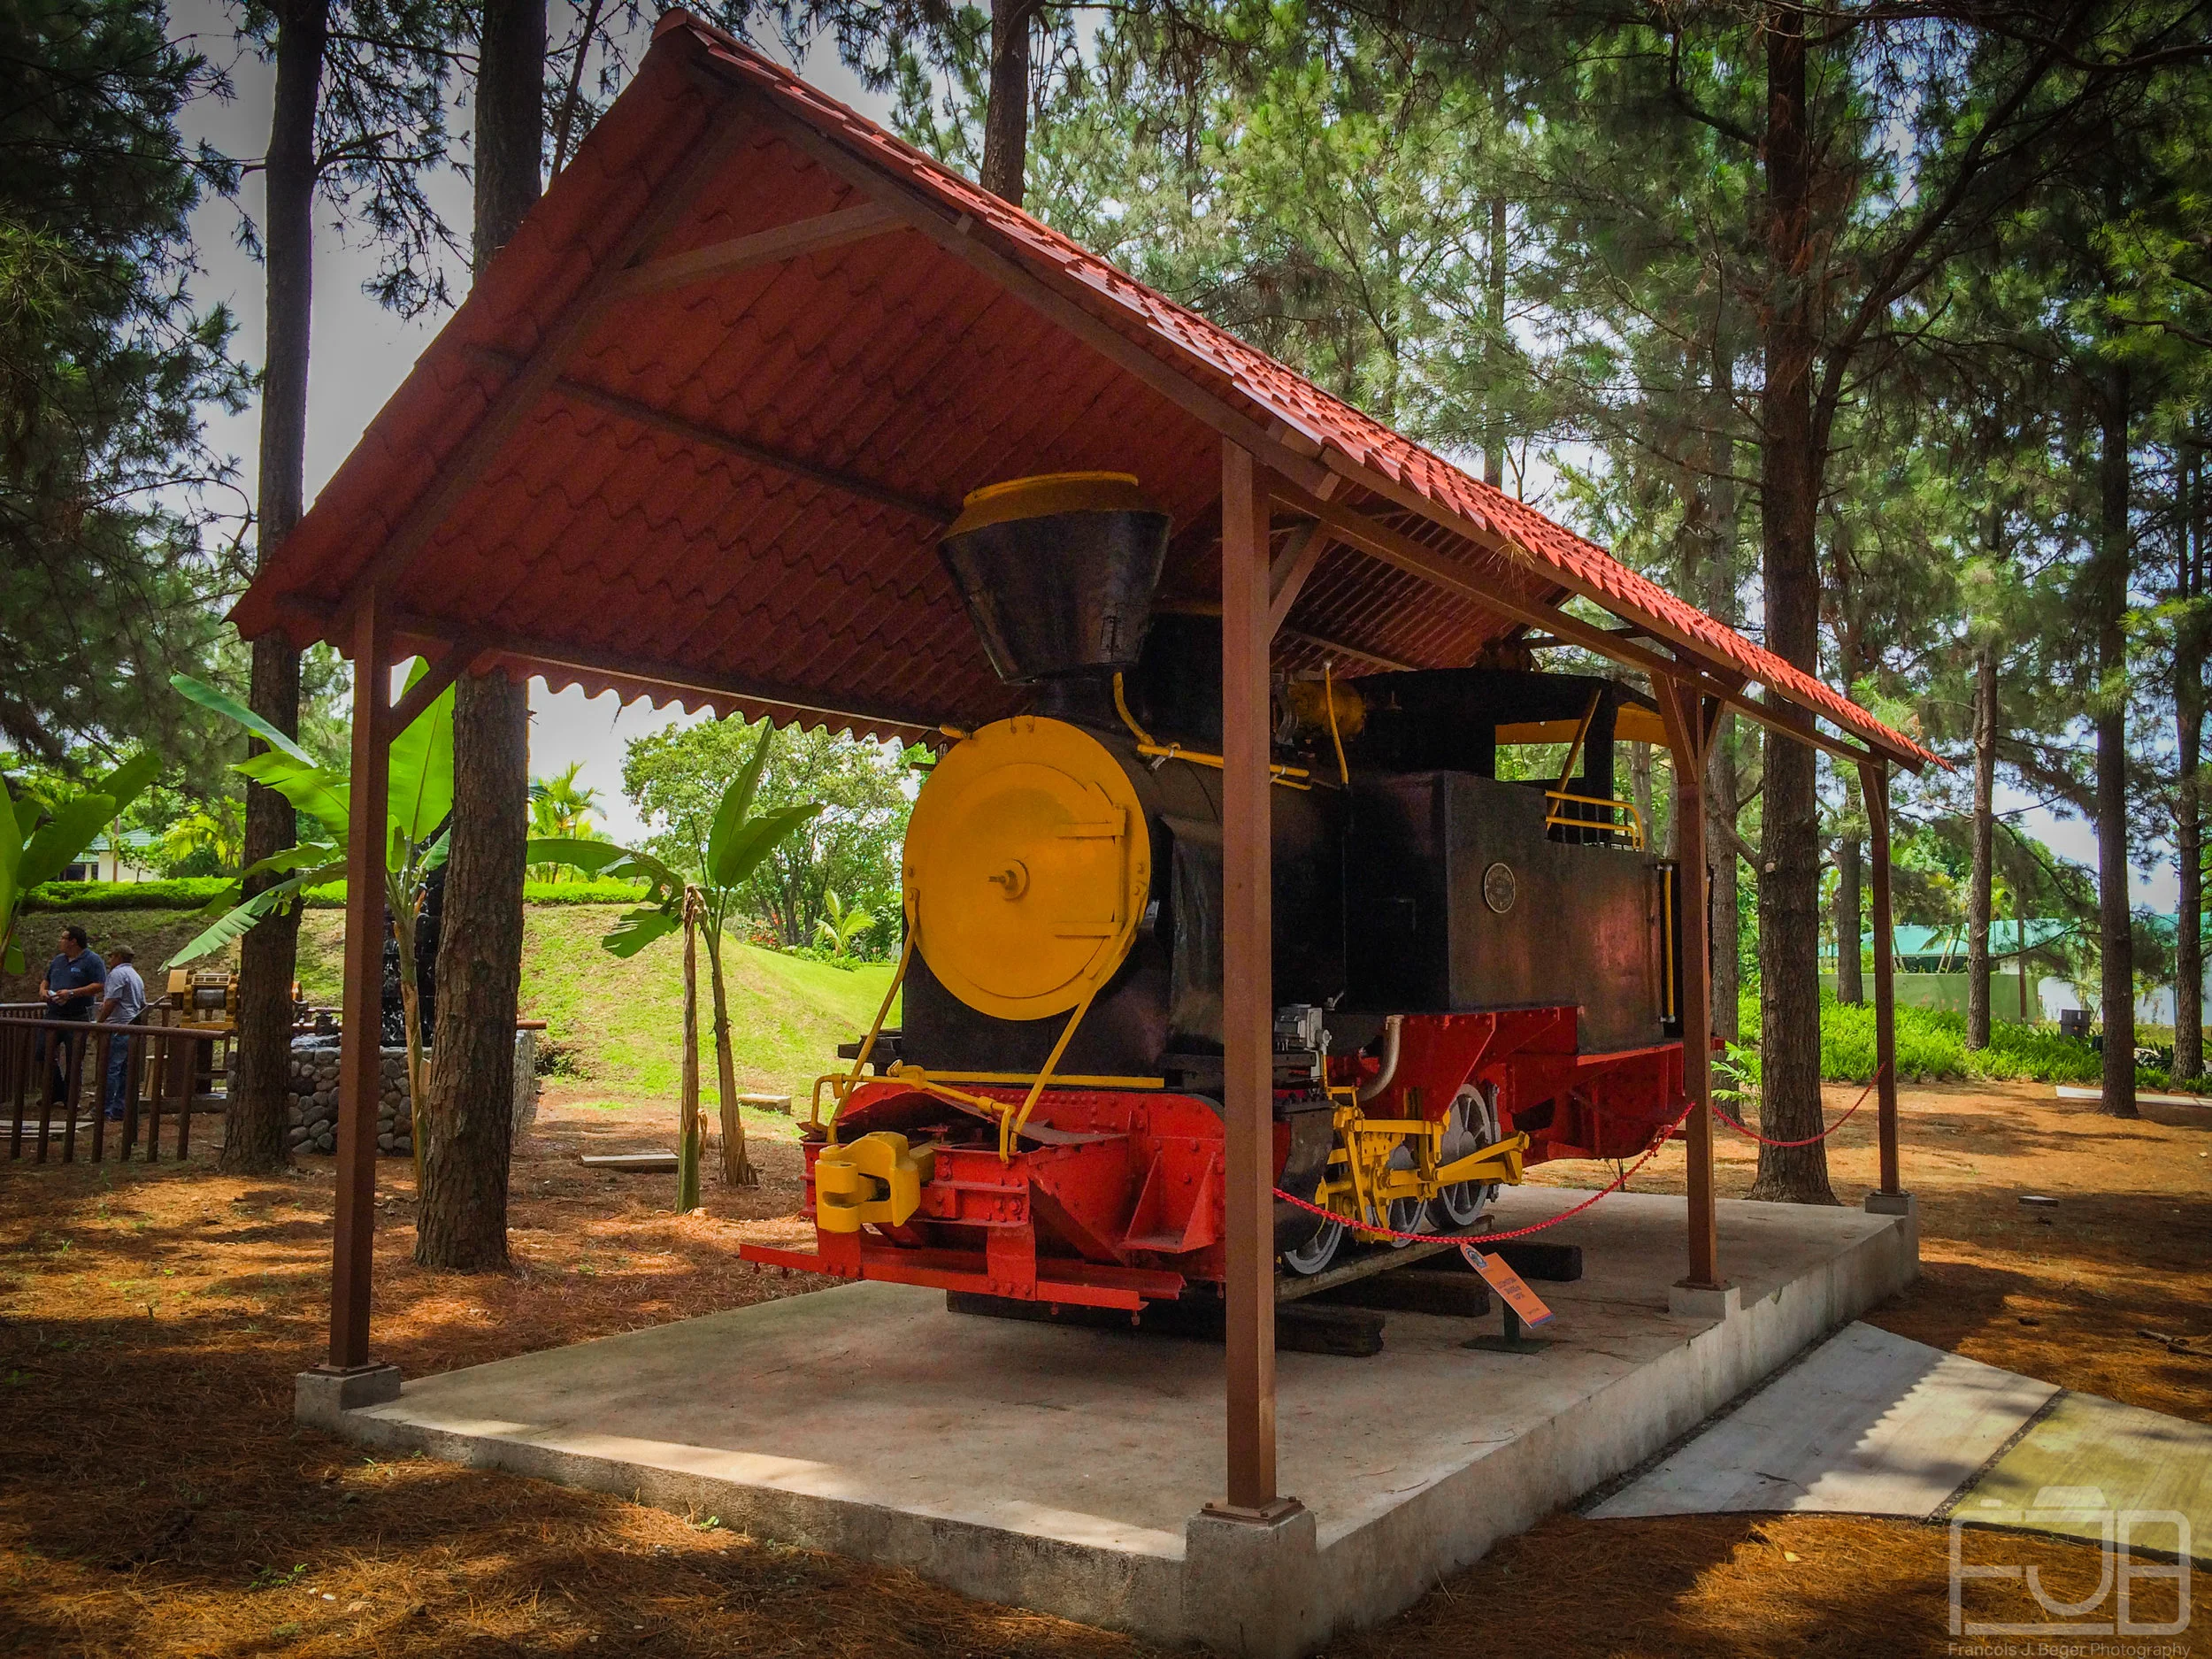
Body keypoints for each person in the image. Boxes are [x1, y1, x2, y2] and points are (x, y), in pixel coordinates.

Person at [38, 925, 105, 1101]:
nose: (60, 941)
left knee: (74, 1058)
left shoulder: (92, 960)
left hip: (78, 1015)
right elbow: (46, 980)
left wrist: (72, 993)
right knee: (43, 1052)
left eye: (63, 938)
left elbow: (98, 985)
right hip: (54, 1013)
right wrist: (44, 991)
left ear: (73, 942)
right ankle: (56, 1090)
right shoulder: (58, 960)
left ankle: (71, 1096)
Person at [95, 945, 147, 1122]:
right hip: (131, 1025)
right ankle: (119, 1108)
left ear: (118, 957)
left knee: (110, 1069)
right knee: (124, 1070)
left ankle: (103, 1109)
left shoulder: (117, 974)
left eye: (111, 957)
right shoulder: (136, 976)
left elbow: (112, 1000)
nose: (110, 961)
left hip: (117, 1026)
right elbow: (142, 1004)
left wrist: (99, 1023)